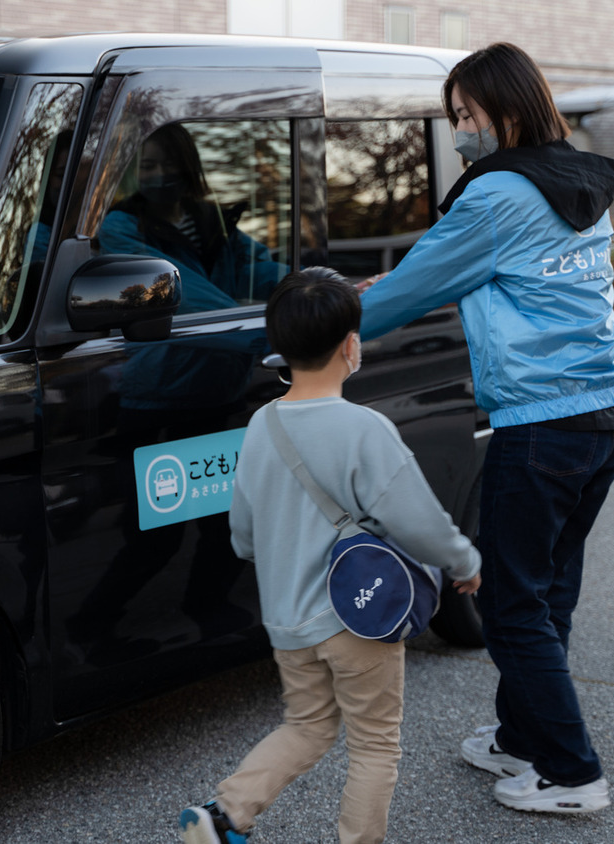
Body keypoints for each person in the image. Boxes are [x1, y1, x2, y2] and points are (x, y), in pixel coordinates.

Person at [357, 42, 614, 814]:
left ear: (504, 111)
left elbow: (411, 291)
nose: (461, 133)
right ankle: (522, 737)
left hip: (541, 427)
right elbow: (466, 269)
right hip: (602, 417)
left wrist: (302, 331)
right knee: (548, 593)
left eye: (466, 116)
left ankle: (574, 774)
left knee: (510, 603)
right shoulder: (576, 182)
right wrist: (408, 276)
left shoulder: (499, 194)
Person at [178, 268, 481, 844]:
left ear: (281, 351)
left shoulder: (261, 426)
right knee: (374, 744)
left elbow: (242, 535)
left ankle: (224, 815)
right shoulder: (365, 429)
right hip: (357, 617)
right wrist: (464, 562)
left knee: (308, 726)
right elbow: (417, 521)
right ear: (351, 346)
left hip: (289, 620)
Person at [98, 123, 286, 314]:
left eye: (170, 164)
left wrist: (310, 282)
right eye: (148, 166)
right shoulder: (119, 228)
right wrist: (258, 339)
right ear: (132, 173)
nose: (161, 174)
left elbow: (255, 270)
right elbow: (181, 293)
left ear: (188, 166)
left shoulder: (214, 222)